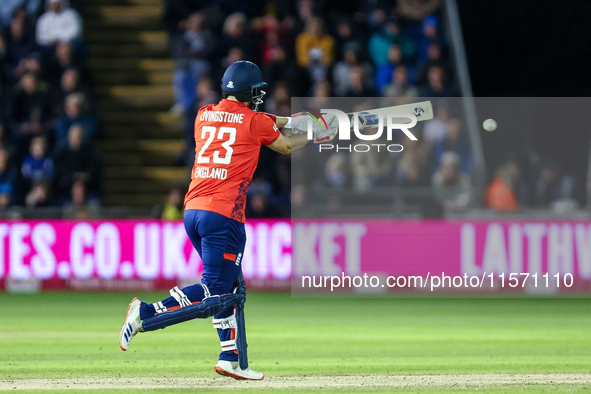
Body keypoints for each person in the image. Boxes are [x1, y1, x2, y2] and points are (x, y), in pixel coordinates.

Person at [118, 60, 337, 380]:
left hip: (193, 211)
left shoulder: (203, 114)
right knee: (214, 289)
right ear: (251, 92)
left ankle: (231, 357)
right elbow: (286, 143)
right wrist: (318, 132)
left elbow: (263, 121)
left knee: (231, 284)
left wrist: (302, 121)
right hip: (223, 215)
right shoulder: (254, 121)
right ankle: (146, 313)